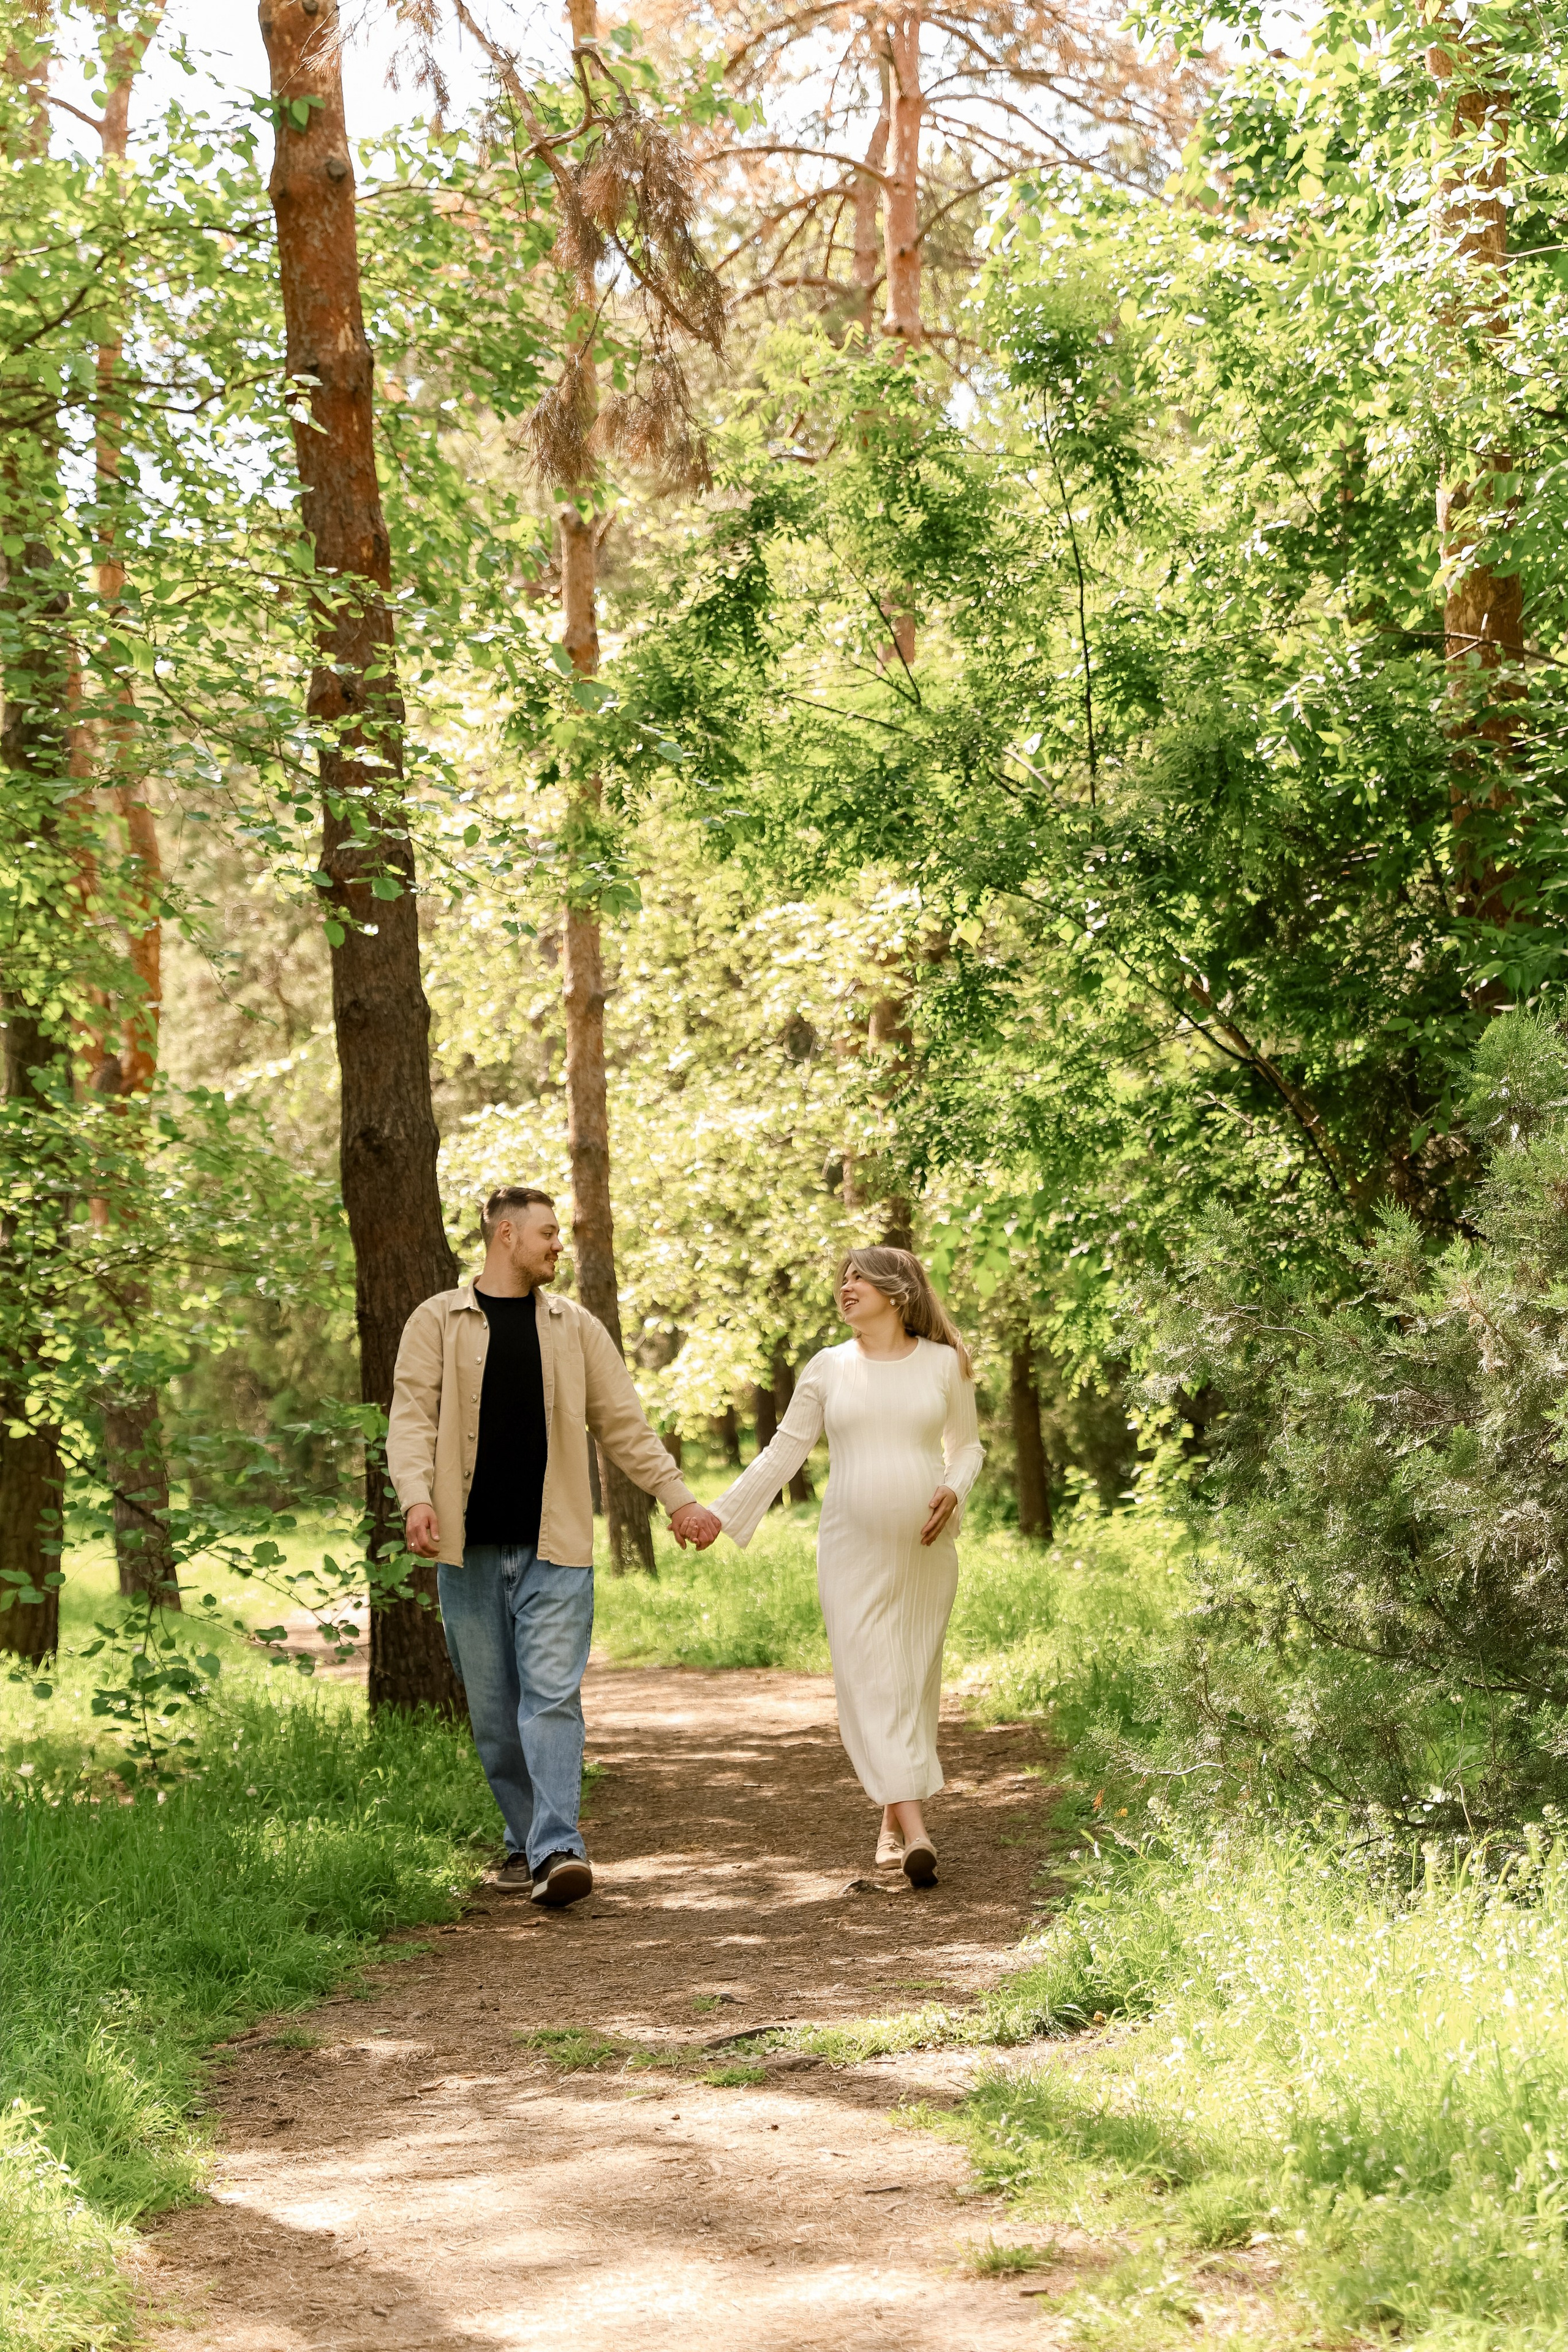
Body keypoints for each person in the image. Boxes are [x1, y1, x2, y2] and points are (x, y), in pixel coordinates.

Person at [387, 1185, 722, 1906]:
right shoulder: (437, 1321)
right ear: (505, 1235)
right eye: (546, 1233)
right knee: (494, 1715)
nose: (556, 1246)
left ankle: (559, 1848)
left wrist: (680, 1499)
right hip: (467, 1554)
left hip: (555, 1547)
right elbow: (411, 1418)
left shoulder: (575, 1328)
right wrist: (415, 1495)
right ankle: (524, 1843)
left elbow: (624, 1424)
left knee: (551, 1700)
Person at [710, 1246, 984, 1887]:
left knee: (910, 1681)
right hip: (849, 1549)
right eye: (843, 1278)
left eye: (859, 1277)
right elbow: (785, 1451)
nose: (846, 1286)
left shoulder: (945, 1364)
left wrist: (955, 1488)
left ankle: (891, 1826)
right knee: (869, 1680)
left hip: (924, 1550)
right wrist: (720, 1515)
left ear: (898, 1291)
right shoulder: (828, 1367)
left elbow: (966, 1446)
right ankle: (917, 1833)